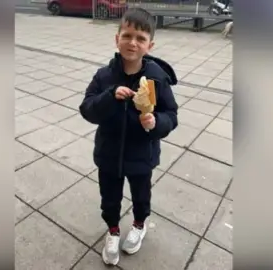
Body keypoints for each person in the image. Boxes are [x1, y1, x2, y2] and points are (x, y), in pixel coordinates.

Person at [79, 7, 178, 265]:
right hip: (109, 154)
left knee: (141, 196)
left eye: (140, 38)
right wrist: (109, 96)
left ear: (150, 45)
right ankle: (112, 230)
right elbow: (87, 109)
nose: (132, 42)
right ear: (117, 38)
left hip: (141, 155)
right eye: (127, 35)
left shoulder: (156, 78)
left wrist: (156, 122)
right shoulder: (104, 76)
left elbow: (171, 114)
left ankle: (139, 224)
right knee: (109, 198)